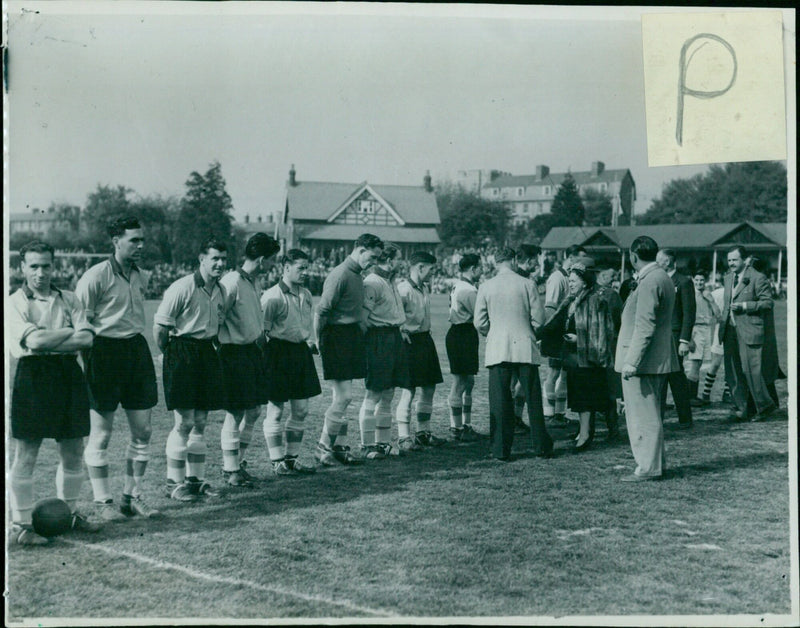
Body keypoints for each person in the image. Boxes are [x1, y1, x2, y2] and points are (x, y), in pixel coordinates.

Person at [8, 240, 102, 545]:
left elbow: (87, 339)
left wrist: (49, 337)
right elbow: (33, 344)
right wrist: (66, 333)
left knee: (74, 450)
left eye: (45, 265)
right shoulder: (14, 302)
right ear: (22, 267)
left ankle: (69, 514)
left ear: (54, 265)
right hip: (33, 376)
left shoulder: (70, 299)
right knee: (27, 453)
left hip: (67, 375)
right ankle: (22, 524)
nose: (40, 272)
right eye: (33, 266)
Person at [75, 216, 161, 521]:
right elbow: (81, 324)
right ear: (116, 242)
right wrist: (90, 360)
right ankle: (103, 501)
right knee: (101, 433)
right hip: (103, 352)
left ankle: (131, 496)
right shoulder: (95, 276)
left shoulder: (142, 275)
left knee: (144, 430)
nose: (140, 245)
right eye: (133, 240)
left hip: (136, 351)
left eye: (141, 240)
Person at [153, 236, 229, 501]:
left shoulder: (222, 290)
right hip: (182, 351)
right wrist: (172, 356)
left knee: (200, 421)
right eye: (214, 259)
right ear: (202, 260)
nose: (219, 264)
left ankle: (195, 481)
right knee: (184, 421)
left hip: (206, 352)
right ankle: (173, 483)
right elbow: (160, 330)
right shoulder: (182, 287)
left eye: (223, 259)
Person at [474, 247, 552, 461]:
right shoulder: (527, 284)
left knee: (499, 400)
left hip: (498, 347)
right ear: (515, 260)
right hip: (524, 345)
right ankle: (541, 447)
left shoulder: (486, 286)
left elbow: (479, 322)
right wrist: (527, 331)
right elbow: (539, 319)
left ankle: (500, 449)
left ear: (495, 262)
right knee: (533, 399)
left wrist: (494, 333)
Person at [314, 233, 384, 466]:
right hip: (336, 337)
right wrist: (320, 342)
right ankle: (323, 446)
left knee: (342, 397)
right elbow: (321, 311)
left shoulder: (357, 275)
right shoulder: (340, 274)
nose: (373, 262)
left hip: (351, 337)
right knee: (345, 397)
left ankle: (340, 447)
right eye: (372, 257)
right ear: (361, 249)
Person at [218, 232, 281, 486]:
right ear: (263, 259)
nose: (274, 265)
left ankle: (238, 462)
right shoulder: (232, 281)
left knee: (253, 411)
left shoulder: (254, 282)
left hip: (252, 353)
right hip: (234, 353)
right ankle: (230, 469)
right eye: (273, 260)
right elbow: (217, 318)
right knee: (235, 413)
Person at [617, 236, 678, 482]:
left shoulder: (649, 280)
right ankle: (656, 462)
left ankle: (648, 466)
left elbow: (644, 326)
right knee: (652, 413)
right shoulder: (662, 276)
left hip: (644, 360)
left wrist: (632, 361)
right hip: (657, 357)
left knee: (642, 416)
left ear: (633, 256)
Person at [261, 249, 322, 475]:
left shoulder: (306, 294)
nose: (305, 272)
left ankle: (291, 458)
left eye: (307, 267)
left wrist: (307, 342)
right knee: (275, 410)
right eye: (300, 268)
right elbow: (262, 333)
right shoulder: (272, 296)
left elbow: (301, 325)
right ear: (286, 268)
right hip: (277, 353)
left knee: (301, 409)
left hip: (300, 353)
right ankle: (276, 461)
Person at [560, 263, 616, 452]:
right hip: (575, 358)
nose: (571, 284)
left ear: (584, 282)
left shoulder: (594, 301)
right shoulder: (573, 300)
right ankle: (585, 430)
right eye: (569, 281)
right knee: (582, 396)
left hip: (589, 358)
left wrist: (579, 339)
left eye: (574, 281)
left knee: (587, 398)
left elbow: (602, 332)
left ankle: (586, 435)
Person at [357, 244, 407, 459]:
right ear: (388, 259)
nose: (401, 262)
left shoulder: (390, 280)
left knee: (389, 392)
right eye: (398, 258)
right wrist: (372, 343)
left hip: (394, 336)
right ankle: (367, 445)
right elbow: (363, 319)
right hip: (378, 338)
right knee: (374, 392)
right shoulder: (372, 282)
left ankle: (383, 443)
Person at [718, 246, 776, 422]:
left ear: (744, 260)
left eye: (735, 260)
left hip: (750, 330)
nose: (731, 263)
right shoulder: (728, 278)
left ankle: (765, 406)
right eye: (729, 260)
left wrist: (746, 306)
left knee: (751, 371)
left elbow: (768, 303)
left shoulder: (758, 278)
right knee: (732, 372)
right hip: (729, 330)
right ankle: (741, 408)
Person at [396, 251, 446, 449]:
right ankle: (404, 437)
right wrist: (401, 331)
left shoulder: (424, 288)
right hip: (410, 342)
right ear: (420, 267)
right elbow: (395, 316)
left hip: (425, 340)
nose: (433, 273)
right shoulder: (403, 289)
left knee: (429, 387)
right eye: (431, 269)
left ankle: (423, 432)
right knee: (409, 389)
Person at [445, 252, 483, 443]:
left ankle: (465, 425)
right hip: (462, 334)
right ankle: (457, 427)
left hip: (462, 333)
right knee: (460, 382)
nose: (482, 270)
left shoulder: (460, 285)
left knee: (468, 382)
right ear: (473, 268)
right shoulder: (468, 290)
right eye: (480, 267)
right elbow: (481, 315)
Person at [655, 249, 695, 429]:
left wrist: (684, 340)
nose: (657, 263)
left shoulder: (684, 281)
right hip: (660, 336)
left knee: (675, 377)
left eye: (660, 260)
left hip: (675, 336)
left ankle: (685, 418)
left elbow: (689, 313)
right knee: (662, 376)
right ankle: (659, 417)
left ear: (669, 262)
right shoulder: (658, 280)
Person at [747, 256, 786, 408]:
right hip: (764, 328)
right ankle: (773, 401)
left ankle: (766, 402)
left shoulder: (759, 281)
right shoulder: (761, 281)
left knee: (761, 366)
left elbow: (764, 304)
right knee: (764, 366)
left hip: (761, 329)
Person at [542, 246, 574, 426]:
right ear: (569, 257)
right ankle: (549, 414)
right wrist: (552, 333)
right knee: (553, 373)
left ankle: (560, 413)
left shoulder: (570, 277)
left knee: (565, 373)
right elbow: (550, 308)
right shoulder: (557, 278)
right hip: (557, 332)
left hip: (567, 331)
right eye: (579, 258)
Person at [510, 244, 541, 433]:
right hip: (520, 337)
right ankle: (513, 418)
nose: (537, 264)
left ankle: (514, 418)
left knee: (517, 383)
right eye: (536, 260)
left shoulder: (523, 278)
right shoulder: (521, 280)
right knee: (516, 382)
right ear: (529, 260)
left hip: (514, 337)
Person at [594, 265, 624, 441]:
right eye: (611, 276)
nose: (613, 279)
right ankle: (609, 428)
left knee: (608, 390)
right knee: (607, 390)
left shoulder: (610, 294)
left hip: (603, 347)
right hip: (604, 347)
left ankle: (612, 428)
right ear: (601, 273)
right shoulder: (610, 295)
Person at [686, 269, 721, 407]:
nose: (699, 282)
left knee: (699, 362)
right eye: (697, 280)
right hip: (695, 329)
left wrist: (711, 300)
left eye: (702, 280)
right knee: (695, 363)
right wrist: (689, 337)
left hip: (706, 329)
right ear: (693, 280)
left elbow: (718, 315)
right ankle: (690, 397)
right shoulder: (690, 295)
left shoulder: (708, 295)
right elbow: (685, 316)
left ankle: (692, 396)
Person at [699, 279, 729, 405]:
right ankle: (706, 393)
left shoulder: (736, 292)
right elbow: (709, 310)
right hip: (721, 330)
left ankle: (726, 393)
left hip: (732, 330)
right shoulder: (717, 293)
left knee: (729, 364)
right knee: (716, 363)